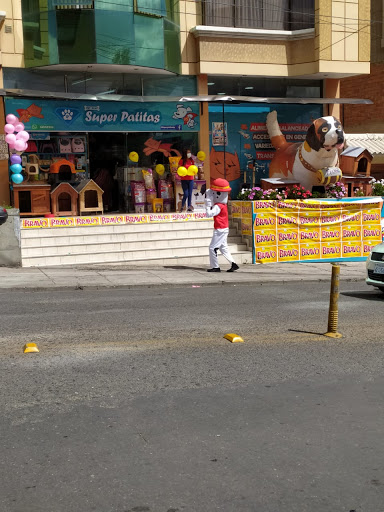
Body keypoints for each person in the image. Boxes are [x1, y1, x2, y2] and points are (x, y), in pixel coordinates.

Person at [205, 178, 239, 273]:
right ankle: (233, 263)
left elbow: (209, 214)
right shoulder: (222, 205)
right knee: (223, 247)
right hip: (223, 228)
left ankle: (215, 266)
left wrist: (208, 203)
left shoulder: (218, 206)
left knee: (212, 248)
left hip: (220, 229)